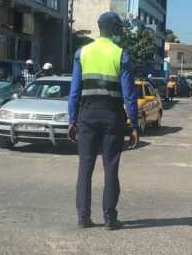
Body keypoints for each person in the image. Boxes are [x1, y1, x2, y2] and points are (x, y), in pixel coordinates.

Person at [67, 12, 139, 231]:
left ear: (100, 28)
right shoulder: (121, 55)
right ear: (114, 29)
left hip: (87, 116)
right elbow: (129, 95)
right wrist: (134, 124)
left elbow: (74, 91)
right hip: (112, 117)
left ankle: (83, 217)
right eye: (119, 28)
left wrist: (72, 119)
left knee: (85, 167)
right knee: (110, 166)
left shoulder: (83, 53)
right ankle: (109, 218)